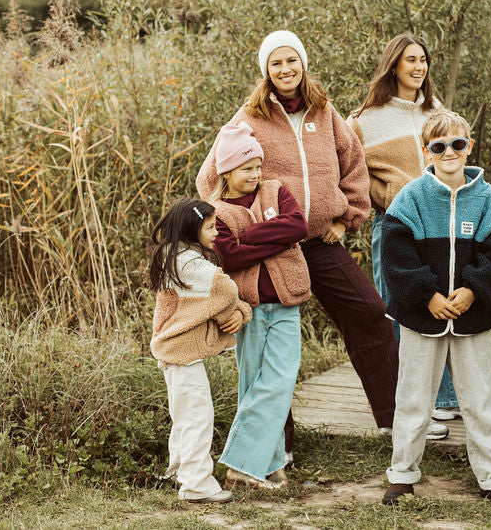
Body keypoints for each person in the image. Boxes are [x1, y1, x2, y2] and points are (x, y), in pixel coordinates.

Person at [196, 30, 400, 443]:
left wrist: (348, 218)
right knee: (270, 341)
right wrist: (244, 226)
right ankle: (277, 442)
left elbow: (354, 164)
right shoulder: (249, 117)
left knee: (369, 313)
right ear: (266, 71)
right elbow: (210, 179)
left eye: (292, 60)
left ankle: (397, 419)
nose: (285, 69)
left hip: (321, 241)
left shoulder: (324, 112)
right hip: (272, 250)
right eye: (276, 63)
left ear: (303, 64)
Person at [380, 110, 491, 507]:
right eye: (439, 146)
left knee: (478, 400)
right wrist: (426, 294)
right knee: (412, 398)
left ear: (469, 147)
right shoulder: (411, 198)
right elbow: (396, 253)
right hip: (421, 316)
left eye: (457, 145)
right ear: (427, 150)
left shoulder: (488, 199)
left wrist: (475, 290)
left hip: (471, 319)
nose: (449, 152)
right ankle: (403, 474)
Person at [349, 34, 455, 435]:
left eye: (423, 60)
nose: (419, 67)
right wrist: (380, 197)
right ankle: (402, 406)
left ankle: (442, 399)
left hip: (439, 226)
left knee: (438, 305)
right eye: (410, 60)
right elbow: (350, 173)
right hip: (394, 226)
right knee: (396, 310)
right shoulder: (364, 119)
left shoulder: (437, 112)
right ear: (393, 65)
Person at [205, 122, 310, 489]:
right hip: (247, 309)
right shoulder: (216, 212)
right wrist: (272, 240)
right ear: (227, 171)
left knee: (279, 381)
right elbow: (229, 258)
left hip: (284, 304)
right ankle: (270, 465)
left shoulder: (276, 191)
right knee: (254, 384)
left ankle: (240, 464)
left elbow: (297, 227)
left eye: (257, 167)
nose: (255, 174)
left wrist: (249, 236)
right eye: (246, 168)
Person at [149, 198, 253, 504]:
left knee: (185, 415)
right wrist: (241, 312)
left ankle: (179, 471)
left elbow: (211, 301)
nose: (215, 233)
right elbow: (225, 291)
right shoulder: (190, 263)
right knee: (197, 416)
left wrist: (232, 312)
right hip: (182, 353)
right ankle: (196, 485)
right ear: (192, 230)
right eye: (209, 227)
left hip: (175, 352)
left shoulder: (175, 256)